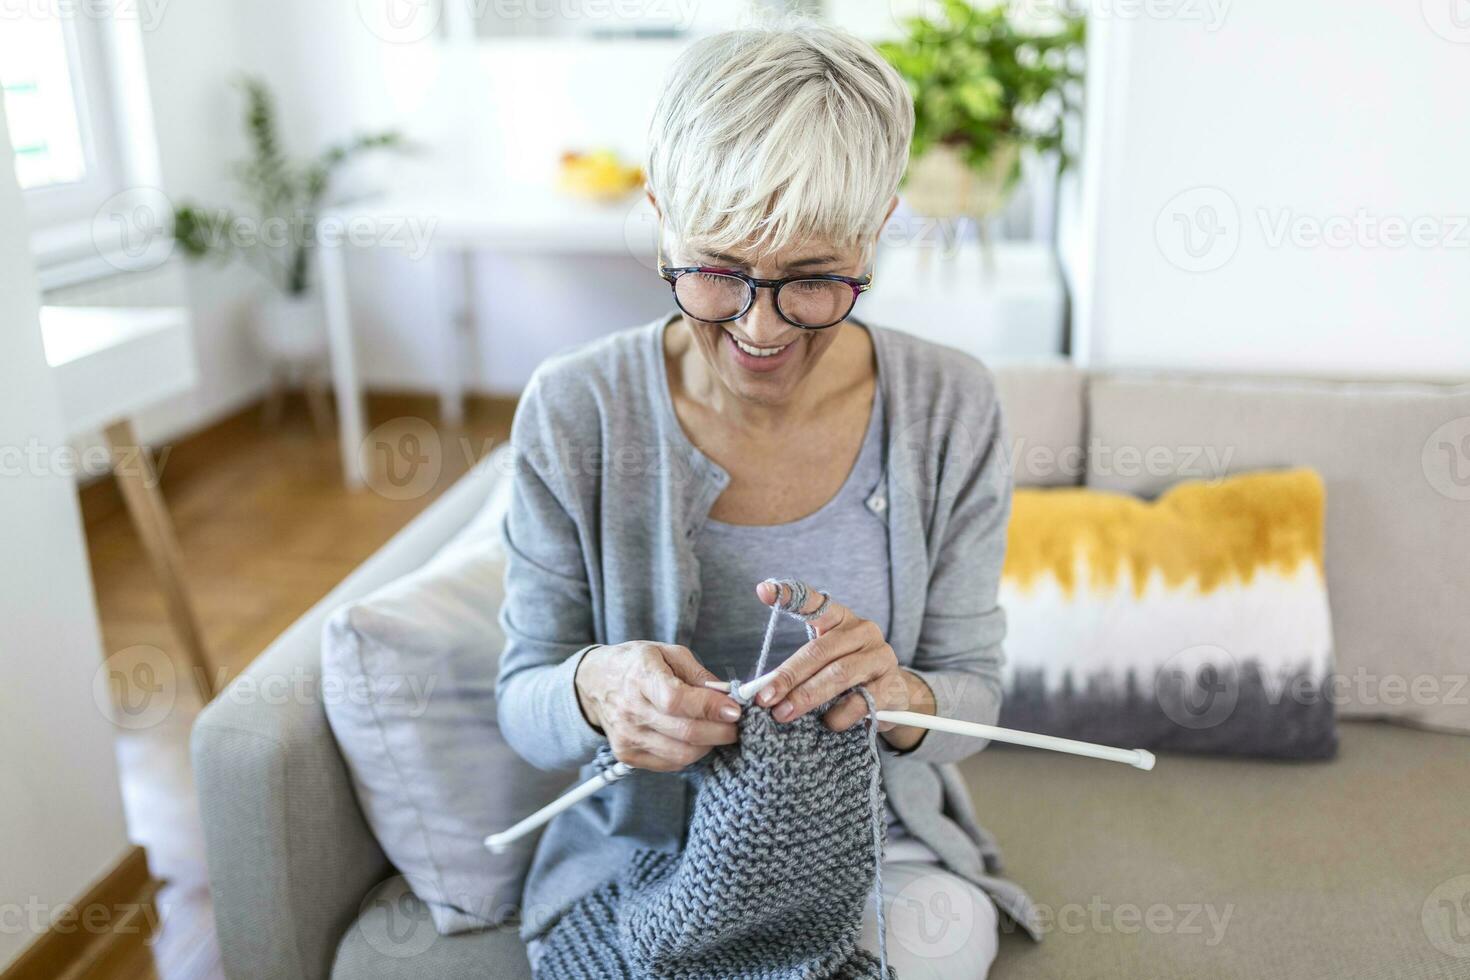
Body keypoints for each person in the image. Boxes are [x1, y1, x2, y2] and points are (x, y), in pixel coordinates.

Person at [496, 22, 1036, 978]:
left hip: (877, 858)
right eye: (717, 271)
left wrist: (903, 699)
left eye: (815, 280)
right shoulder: (576, 409)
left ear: (875, 235)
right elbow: (522, 701)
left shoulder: (951, 408)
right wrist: (595, 687)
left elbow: (975, 696)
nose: (759, 329)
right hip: (639, 856)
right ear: (661, 218)